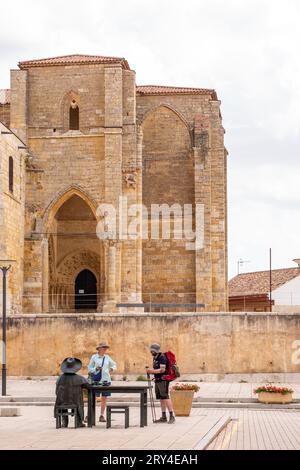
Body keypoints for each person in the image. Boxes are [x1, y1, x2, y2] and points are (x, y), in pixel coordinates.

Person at [145, 343, 175, 424]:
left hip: (163, 380)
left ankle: (172, 416)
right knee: (161, 398)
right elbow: (157, 369)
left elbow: (162, 370)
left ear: (156, 351)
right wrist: (154, 376)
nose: (151, 352)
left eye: (152, 351)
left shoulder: (162, 357)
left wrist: (151, 371)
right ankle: (163, 416)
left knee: (165, 396)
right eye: (151, 350)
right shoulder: (155, 357)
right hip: (158, 380)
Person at [87, 342, 117, 422]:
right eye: (103, 348)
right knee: (93, 398)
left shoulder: (107, 357)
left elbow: (114, 364)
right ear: (99, 349)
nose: (105, 349)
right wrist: (95, 369)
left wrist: (112, 369)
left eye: (106, 348)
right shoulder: (94, 357)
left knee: (104, 398)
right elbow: (89, 369)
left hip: (106, 380)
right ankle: (89, 415)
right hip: (96, 380)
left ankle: (102, 415)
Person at [54, 357, 88, 428]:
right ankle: (79, 422)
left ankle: (64, 421)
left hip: (62, 401)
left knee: (62, 400)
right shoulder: (80, 379)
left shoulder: (60, 378)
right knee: (79, 401)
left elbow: (56, 392)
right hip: (76, 402)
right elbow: (88, 386)